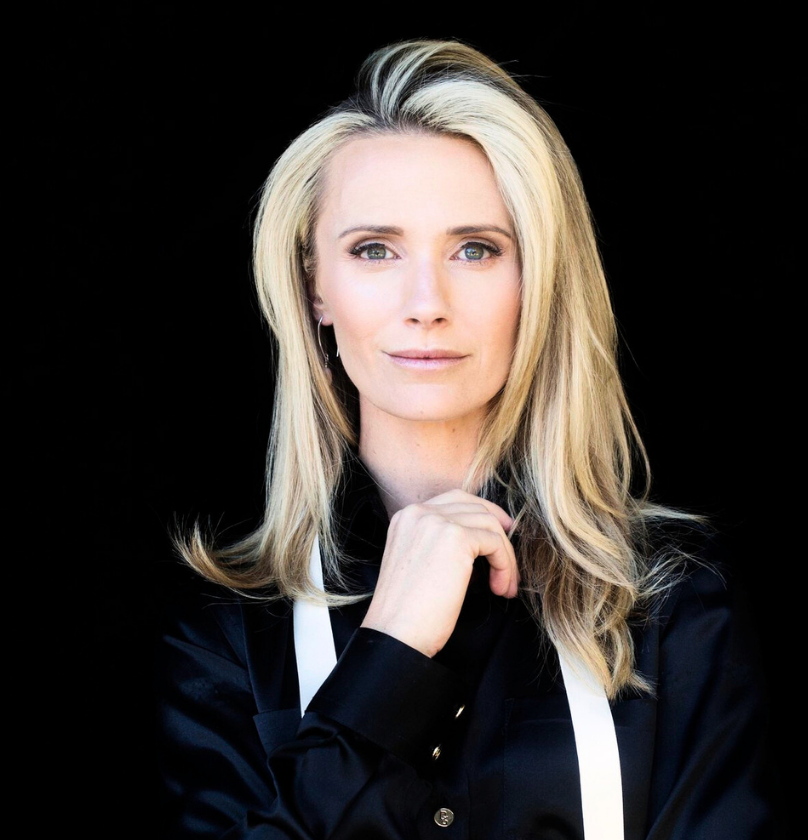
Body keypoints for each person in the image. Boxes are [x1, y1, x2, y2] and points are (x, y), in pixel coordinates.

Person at [157, 39, 775, 839]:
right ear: (316, 285)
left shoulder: (673, 611)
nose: (427, 302)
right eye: (374, 249)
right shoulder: (228, 642)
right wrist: (391, 655)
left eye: (476, 249)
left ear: (538, 280)